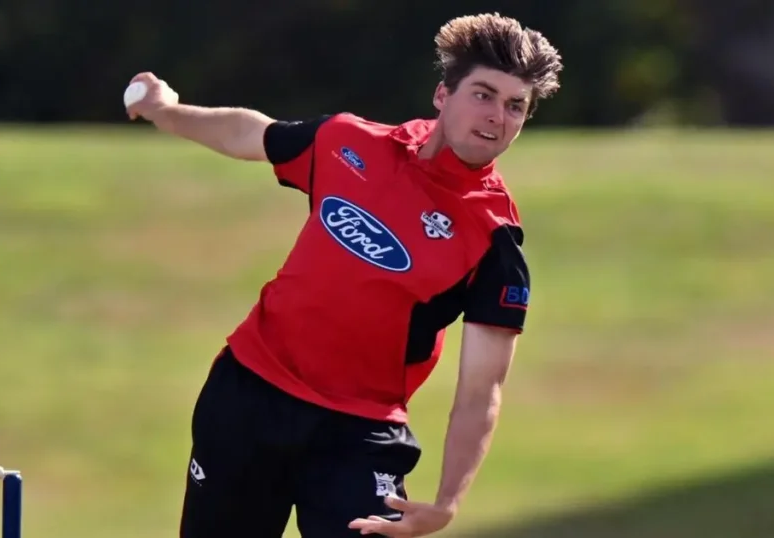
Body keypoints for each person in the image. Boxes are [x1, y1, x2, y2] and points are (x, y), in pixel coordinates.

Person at [125, 12, 562, 538]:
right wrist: (166, 111)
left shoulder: (494, 239)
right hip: (250, 395)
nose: (497, 117)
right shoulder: (347, 142)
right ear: (443, 95)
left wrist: (448, 501)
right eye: (484, 95)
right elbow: (249, 133)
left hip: (360, 433)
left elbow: (481, 390)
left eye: (516, 106)